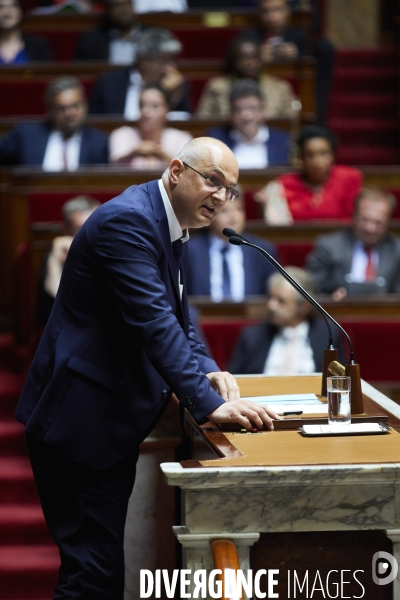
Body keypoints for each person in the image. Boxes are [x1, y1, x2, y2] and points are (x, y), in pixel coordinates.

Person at [14, 137, 279, 600]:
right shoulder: (128, 222)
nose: (221, 197)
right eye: (213, 181)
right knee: (90, 580)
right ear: (177, 171)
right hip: (79, 424)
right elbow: (154, 322)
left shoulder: (168, 224)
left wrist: (208, 371)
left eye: (231, 190)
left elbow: (179, 317)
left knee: (99, 577)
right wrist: (208, 405)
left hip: (104, 422)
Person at [228, 266, 345, 374]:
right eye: (271, 297)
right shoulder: (252, 336)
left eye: (281, 301)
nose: (271, 306)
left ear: (304, 307)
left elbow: (340, 380)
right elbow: (234, 381)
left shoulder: (328, 335)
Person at [241, 0, 335, 124]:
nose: (272, 16)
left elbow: (309, 67)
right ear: (260, 14)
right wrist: (258, 55)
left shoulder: (299, 37)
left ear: (287, 12)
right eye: (266, 11)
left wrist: (298, 55)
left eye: (277, 10)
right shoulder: (250, 37)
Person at [305, 188, 400, 300]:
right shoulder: (328, 246)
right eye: (365, 220)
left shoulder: (397, 250)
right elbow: (311, 288)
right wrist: (330, 299)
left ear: (388, 223)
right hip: (336, 314)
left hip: (385, 315)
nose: (370, 228)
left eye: (378, 223)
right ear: (353, 216)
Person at [255, 125, 362, 223]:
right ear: (301, 158)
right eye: (310, 155)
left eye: (324, 154)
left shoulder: (349, 178)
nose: (317, 162)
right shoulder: (284, 184)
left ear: (333, 155)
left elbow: (352, 221)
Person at [0, 76, 109, 169]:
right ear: (50, 110)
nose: (70, 113)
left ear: (85, 107)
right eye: (62, 108)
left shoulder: (98, 142)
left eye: (75, 106)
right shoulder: (26, 134)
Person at [185, 191, 277, 300]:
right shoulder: (190, 251)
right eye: (224, 211)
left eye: (239, 209)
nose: (233, 216)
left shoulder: (261, 250)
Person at [89, 27, 190, 119]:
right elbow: (95, 124)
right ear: (143, 59)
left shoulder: (177, 85)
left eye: (173, 61)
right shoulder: (109, 83)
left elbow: (186, 125)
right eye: (163, 61)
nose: (170, 68)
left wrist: (170, 96)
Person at [196, 36, 299, 119]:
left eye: (254, 57)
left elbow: (290, 122)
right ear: (233, 61)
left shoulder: (280, 88)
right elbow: (203, 120)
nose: (249, 63)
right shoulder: (217, 87)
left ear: (261, 60)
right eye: (242, 58)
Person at [38, 196, 100, 325]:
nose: (88, 234)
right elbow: (54, 307)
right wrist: (55, 260)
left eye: (94, 226)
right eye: (80, 229)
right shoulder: (56, 256)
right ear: (66, 230)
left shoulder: (110, 251)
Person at [207, 78, 291, 168]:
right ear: (230, 113)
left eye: (252, 108)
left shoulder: (284, 141)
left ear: (263, 111)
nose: (246, 116)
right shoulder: (216, 141)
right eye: (239, 110)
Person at [109, 83, 192, 169]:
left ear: (167, 110)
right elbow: (113, 166)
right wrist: (134, 152)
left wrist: (161, 154)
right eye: (142, 105)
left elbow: (187, 171)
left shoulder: (181, 138)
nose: (146, 112)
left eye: (154, 106)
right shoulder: (122, 134)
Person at [74, 0, 145, 64]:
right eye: (116, 6)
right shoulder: (91, 39)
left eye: (127, 4)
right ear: (108, 10)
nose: (124, 10)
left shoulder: (151, 34)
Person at [0, 0, 52, 64]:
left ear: (21, 11)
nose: (7, 12)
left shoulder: (38, 45)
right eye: (1, 7)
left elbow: (47, 72)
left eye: (14, 5)